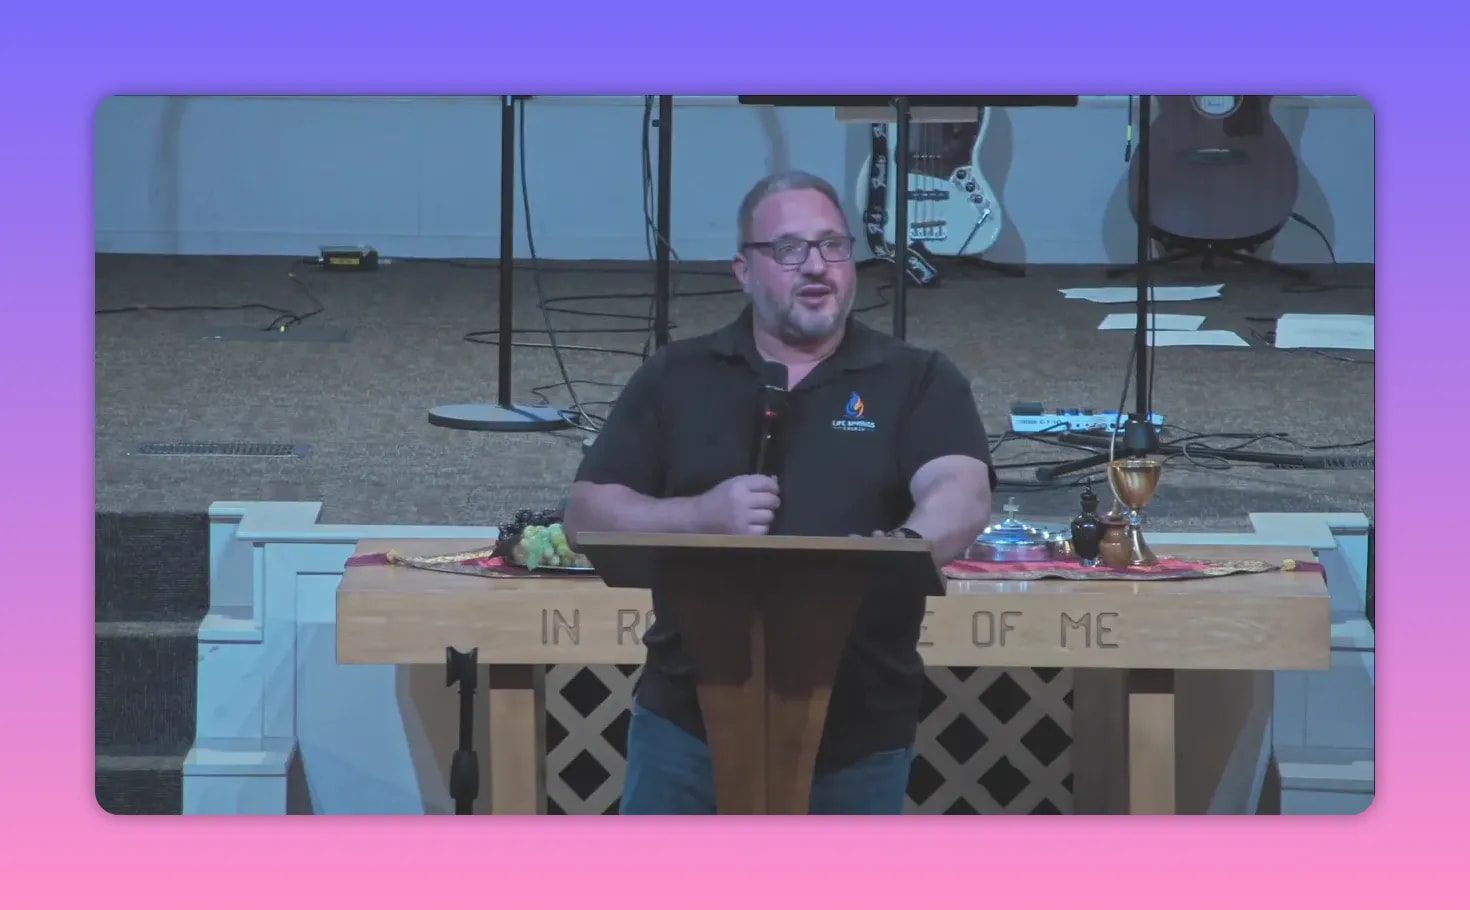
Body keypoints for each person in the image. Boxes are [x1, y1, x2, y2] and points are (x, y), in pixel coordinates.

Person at [563, 170, 996, 814]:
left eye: (834, 246)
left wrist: (904, 547)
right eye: (790, 249)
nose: (816, 266)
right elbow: (586, 512)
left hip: (859, 728)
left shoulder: (916, 378)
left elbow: (960, 488)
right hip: (688, 727)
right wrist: (699, 516)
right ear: (744, 270)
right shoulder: (678, 375)